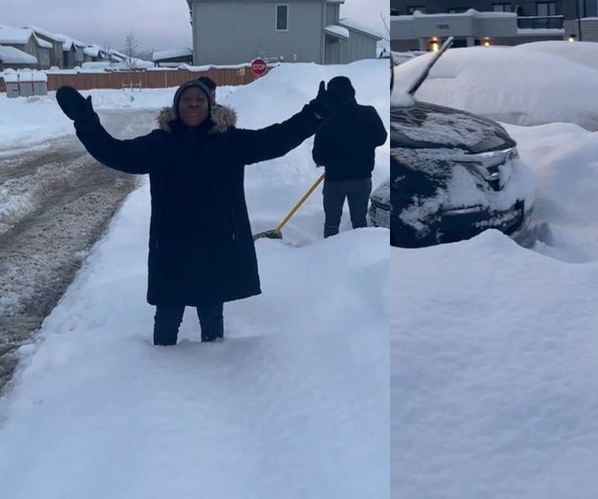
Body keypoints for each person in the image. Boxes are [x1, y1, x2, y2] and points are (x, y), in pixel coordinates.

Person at [54, 79, 341, 345]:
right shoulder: (159, 143)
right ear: (176, 108)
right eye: (186, 99)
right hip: (172, 241)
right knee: (168, 313)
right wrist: (86, 122)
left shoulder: (231, 141)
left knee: (212, 311)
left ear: (210, 106)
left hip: (217, 240)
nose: (193, 103)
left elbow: (278, 138)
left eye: (199, 100)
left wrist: (314, 114)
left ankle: (214, 364)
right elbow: (115, 153)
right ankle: (158, 367)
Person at [311, 76, 387, 237]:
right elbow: (381, 138)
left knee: (331, 224)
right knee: (359, 224)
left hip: (334, 181)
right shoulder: (368, 113)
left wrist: (332, 159)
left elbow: (318, 156)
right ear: (352, 93)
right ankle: (361, 258)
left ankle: (330, 256)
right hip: (362, 179)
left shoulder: (326, 120)